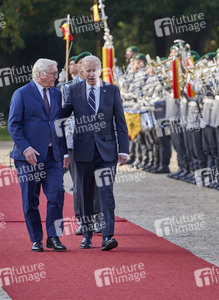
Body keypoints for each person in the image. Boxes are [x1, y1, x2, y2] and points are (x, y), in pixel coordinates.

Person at [62, 55, 129, 251]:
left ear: (101, 70)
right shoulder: (72, 90)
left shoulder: (111, 90)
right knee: (84, 193)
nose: (91, 74)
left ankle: (108, 236)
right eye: (87, 70)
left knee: (106, 193)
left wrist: (123, 150)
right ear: (81, 71)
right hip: (82, 151)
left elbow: (120, 123)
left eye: (95, 70)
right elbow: (61, 116)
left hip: (107, 152)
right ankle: (87, 234)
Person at [8, 58, 69, 252]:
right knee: (30, 200)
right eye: (53, 73)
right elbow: (14, 125)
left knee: (57, 194)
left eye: (56, 73)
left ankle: (54, 236)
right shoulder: (21, 94)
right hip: (29, 157)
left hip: (53, 156)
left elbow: (60, 126)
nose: (56, 76)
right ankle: (36, 238)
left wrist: (65, 152)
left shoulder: (57, 94)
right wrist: (25, 148)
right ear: (39, 74)